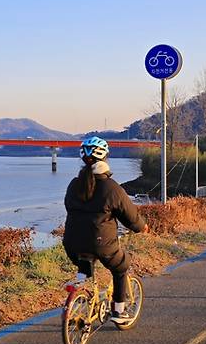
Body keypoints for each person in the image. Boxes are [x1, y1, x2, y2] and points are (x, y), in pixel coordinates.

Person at [63, 136, 149, 324]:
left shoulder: (73, 184)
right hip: (102, 244)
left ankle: (80, 282)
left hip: (71, 242)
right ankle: (119, 310)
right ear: (105, 158)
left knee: (84, 260)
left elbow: (69, 207)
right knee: (121, 268)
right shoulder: (112, 188)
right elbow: (131, 217)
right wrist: (142, 227)